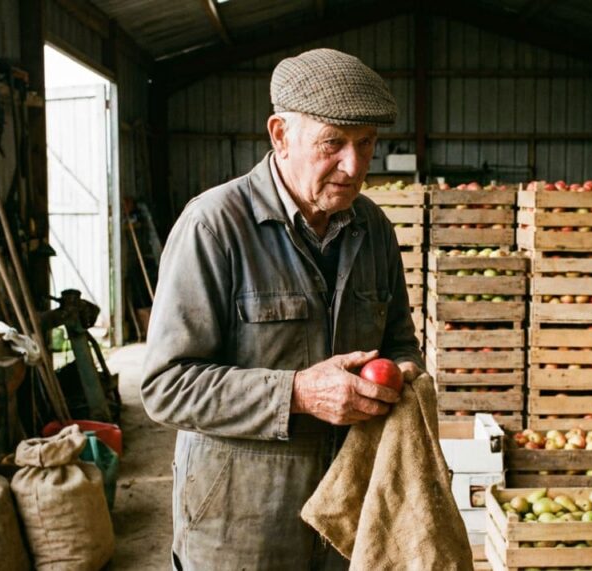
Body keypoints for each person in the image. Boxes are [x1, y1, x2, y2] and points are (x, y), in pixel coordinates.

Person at [141, 48, 424, 570]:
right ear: (279, 134)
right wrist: (295, 393)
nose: (355, 165)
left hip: (346, 517)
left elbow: (401, 340)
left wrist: (403, 370)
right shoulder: (214, 227)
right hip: (241, 527)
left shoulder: (373, 230)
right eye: (333, 144)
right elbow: (165, 387)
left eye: (366, 144)